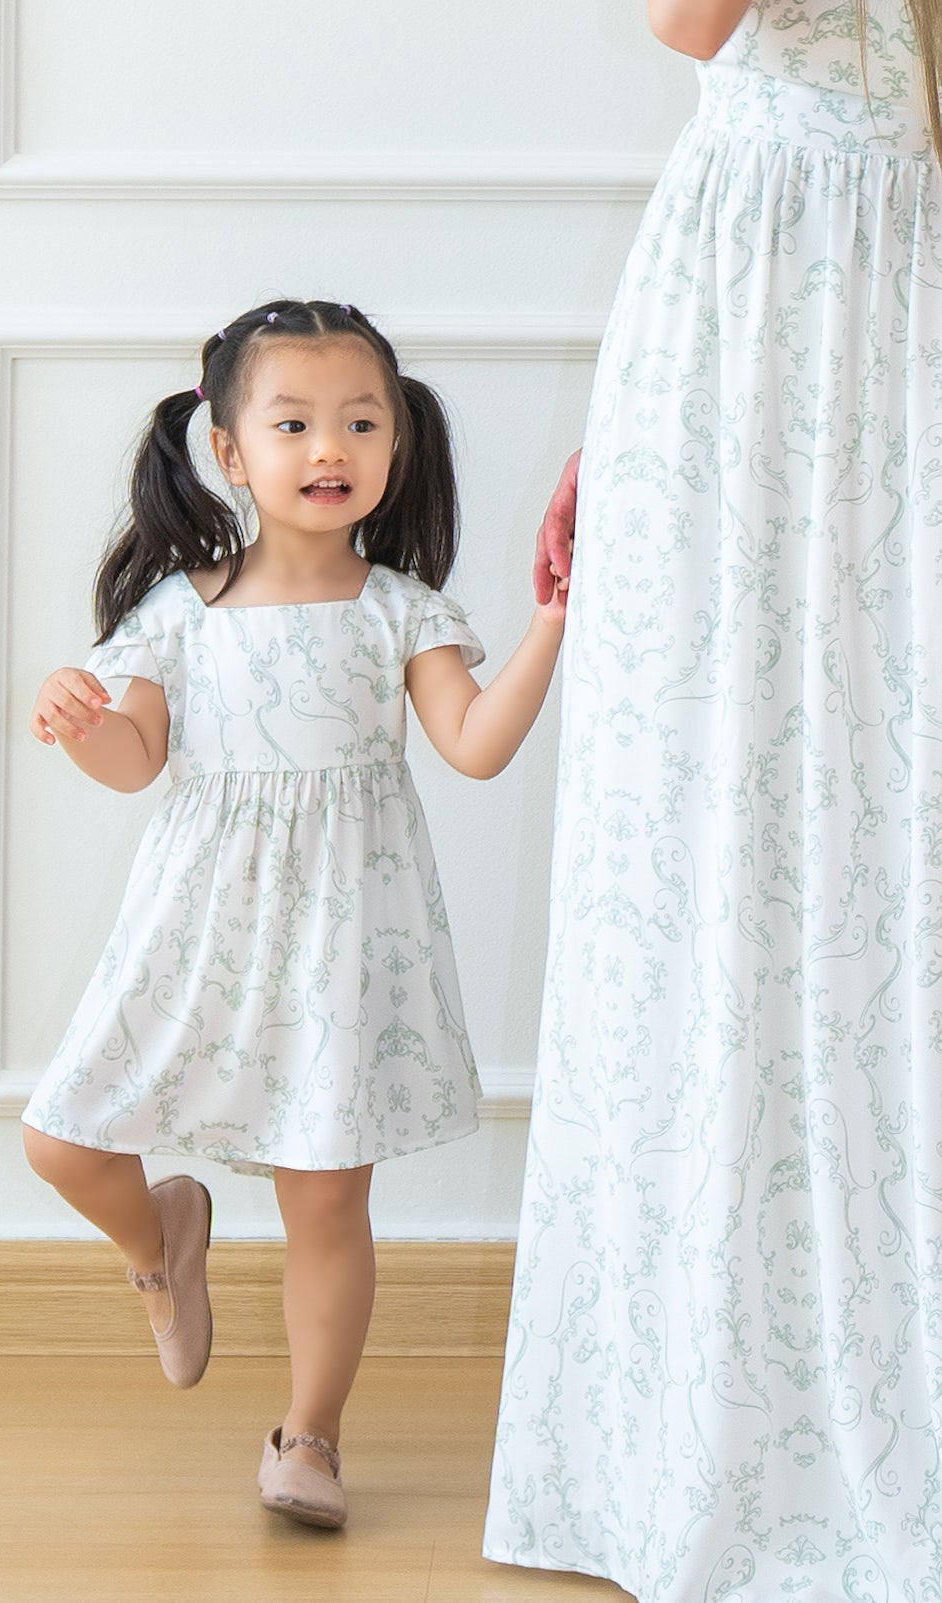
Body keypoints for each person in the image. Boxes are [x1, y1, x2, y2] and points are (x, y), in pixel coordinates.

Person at [485, 1, 942, 1597]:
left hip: (826, 307)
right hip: (772, 310)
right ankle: (761, 1415)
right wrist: (620, 438)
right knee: (771, 823)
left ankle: (792, 1418)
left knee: (810, 832)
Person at [21, 299, 568, 1530]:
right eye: (294, 423)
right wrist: (79, 719)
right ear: (227, 449)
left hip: (342, 936)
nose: (331, 446)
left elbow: (476, 745)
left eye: (362, 422)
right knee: (61, 1139)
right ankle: (161, 1243)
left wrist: (550, 618)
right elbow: (132, 760)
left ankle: (309, 1435)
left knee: (324, 1197)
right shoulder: (177, 612)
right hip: (196, 928)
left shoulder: (401, 610)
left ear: (398, 442)